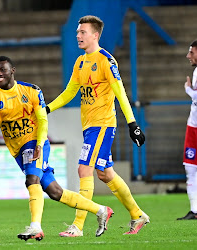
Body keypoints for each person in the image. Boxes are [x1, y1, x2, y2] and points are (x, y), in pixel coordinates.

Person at [0, 56, 114, 241]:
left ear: (12, 70)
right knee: (55, 192)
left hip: (36, 143)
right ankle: (101, 210)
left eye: (2, 70)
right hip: (18, 151)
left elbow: (42, 120)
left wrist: (39, 144)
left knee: (32, 180)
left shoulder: (31, 91)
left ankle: (35, 227)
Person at [45, 15, 149, 236]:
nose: (78, 36)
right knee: (105, 173)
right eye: (77, 32)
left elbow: (120, 92)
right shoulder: (80, 62)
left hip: (103, 124)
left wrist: (133, 124)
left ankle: (78, 226)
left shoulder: (106, 60)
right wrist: (47, 108)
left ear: (95, 35)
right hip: (89, 126)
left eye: (82, 32)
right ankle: (137, 214)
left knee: (84, 169)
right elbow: (70, 92)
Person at [177, 40, 197, 220]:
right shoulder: (196, 71)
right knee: (190, 168)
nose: (188, 56)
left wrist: (189, 92)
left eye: (191, 52)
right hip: (193, 127)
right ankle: (194, 210)